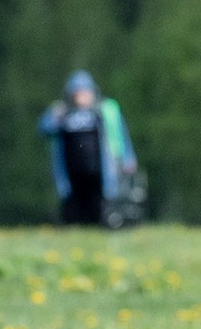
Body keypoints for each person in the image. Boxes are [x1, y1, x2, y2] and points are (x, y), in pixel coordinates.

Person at [38, 70, 137, 226]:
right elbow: (43, 130)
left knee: (101, 207)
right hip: (72, 173)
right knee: (74, 210)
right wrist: (54, 117)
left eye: (84, 91)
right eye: (76, 92)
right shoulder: (61, 112)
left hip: (101, 170)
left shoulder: (105, 110)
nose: (80, 96)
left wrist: (128, 158)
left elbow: (121, 134)